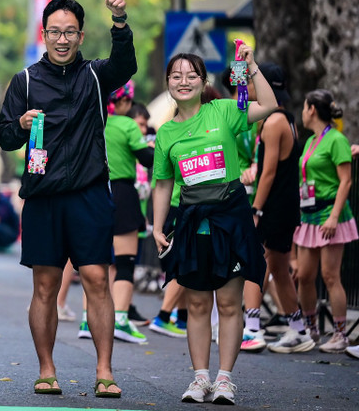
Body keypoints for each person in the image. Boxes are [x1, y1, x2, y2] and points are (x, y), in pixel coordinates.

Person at [0, 0, 135, 398]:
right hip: (42, 197)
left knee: (96, 278)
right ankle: (47, 369)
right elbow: (3, 137)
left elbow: (125, 65)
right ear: (43, 34)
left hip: (89, 194)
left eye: (70, 32)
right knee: (45, 285)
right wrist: (20, 124)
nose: (62, 39)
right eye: (55, 31)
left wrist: (121, 21)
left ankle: (105, 371)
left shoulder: (95, 75)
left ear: (81, 36)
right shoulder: (23, 80)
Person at [152, 49, 274, 405]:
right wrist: (159, 226)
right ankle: (200, 379)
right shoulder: (166, 135)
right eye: (176, 76)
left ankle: (224, 380)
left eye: (191, 75)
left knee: (230, 303)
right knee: (197, 304)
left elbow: (267, 104)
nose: (184, 81)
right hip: (191, 225)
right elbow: (162, 184)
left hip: (229, 221)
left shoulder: (223, 111)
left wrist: (250, 68)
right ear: (168, 83)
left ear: (204, 82)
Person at [270, 89, 356, 354]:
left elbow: (346, 181)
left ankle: (340, 334)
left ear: (311, 110)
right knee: (305, 276)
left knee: (330, 276)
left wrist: (332, 217)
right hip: (308, 215)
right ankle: (310, 329)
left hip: (331, 214)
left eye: (305, 107)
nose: (303, 112)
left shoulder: (336, 140)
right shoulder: (309, 142)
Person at [232, 63, 302, 353]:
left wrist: (256, 210)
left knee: (253, 265)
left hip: (274, 208)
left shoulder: (273, 123)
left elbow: (268, 172)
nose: (246, 87)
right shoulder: (285, 119)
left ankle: (252, 328)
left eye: (249, 81)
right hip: (284, 206)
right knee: (278, 270)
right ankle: (299, 330)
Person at [103, 82, 154, 344]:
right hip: (122, 193)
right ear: (124, 102)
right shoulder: (126, 125)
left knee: (98, 261)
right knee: (124, 262)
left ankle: (91, 320)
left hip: (95, 193)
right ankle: (121, 319)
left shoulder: (94, 122)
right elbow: (146, 158)